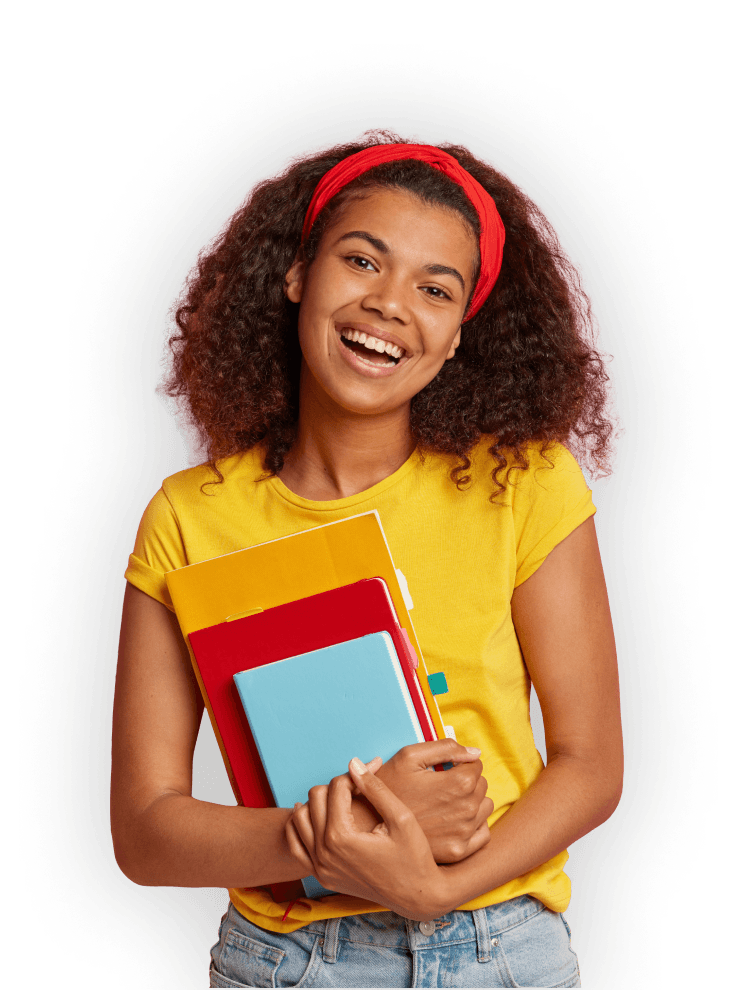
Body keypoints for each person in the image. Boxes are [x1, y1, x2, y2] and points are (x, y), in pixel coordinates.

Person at [111, 128, 624, 988]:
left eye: (435, 288)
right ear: (297, 276)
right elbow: (144, 831)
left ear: (459, 333)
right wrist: (337, 833)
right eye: (361, 261)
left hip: (501, 952)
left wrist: (437, 886)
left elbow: (591, 766)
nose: (390, 303)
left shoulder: (524, 482)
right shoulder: (189, 518)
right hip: (287, 960)